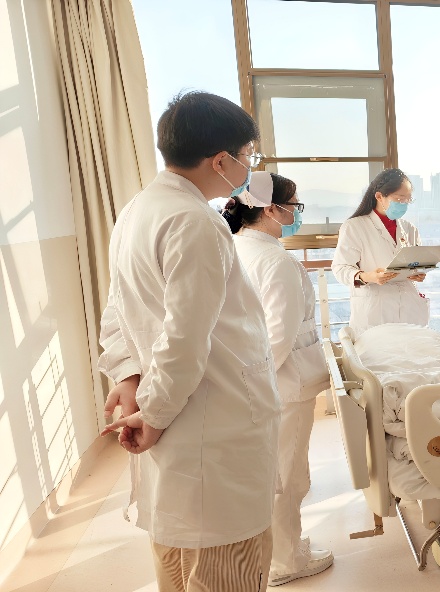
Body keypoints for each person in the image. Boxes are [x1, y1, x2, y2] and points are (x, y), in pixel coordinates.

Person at [98, 92, 279, 591]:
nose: (250, 166)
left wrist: (129, 376)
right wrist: (154, 415)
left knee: (179, 566)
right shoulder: (196, 221)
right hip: (212, 425)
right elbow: (184, 340)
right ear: (221, 161)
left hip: (180, 418)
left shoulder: (138, 210)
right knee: (226, 567)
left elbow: (117, 309)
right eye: (248, 155)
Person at [226, 171, 334, 585]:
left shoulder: (237, 248)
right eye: (295, 206)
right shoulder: (276, 261)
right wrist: (257, 388)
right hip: (283, 388)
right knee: (289, 477)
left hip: (256, 385)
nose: (297, 214)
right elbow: (278, 337)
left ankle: (278, 548)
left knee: (272, 474)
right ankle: (286, 561)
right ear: (271, 210)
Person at [332, 169, 428, 336]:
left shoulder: (409, 228)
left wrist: (418, 273)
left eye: (408, 199)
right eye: (399, 199)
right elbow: (340, 268)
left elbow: (417, 262)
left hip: (409, 308)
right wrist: (368, 276)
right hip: (375, 311)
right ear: (379, 196)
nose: (404, 204)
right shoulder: (354, 227)